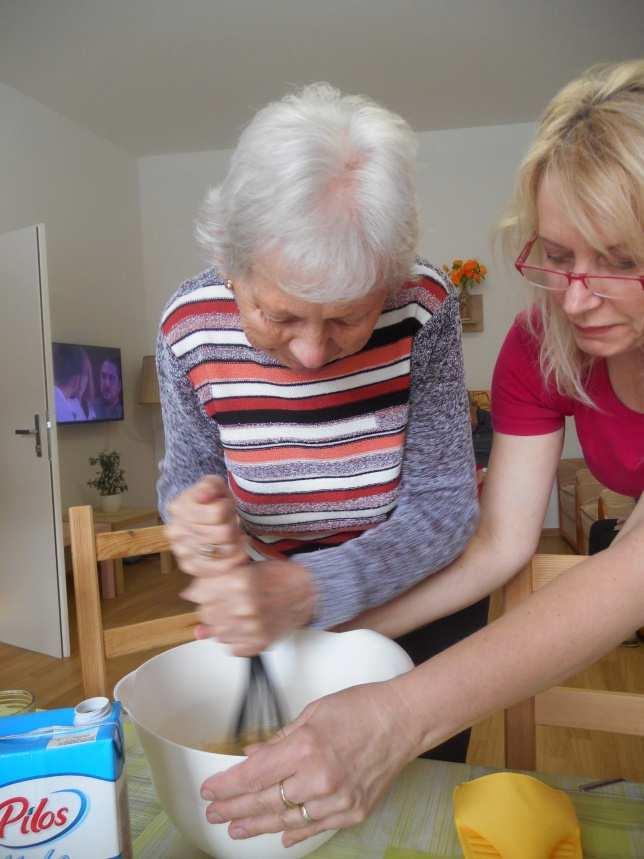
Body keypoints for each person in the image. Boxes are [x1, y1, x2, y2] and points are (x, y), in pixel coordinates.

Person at [198, 60, 644, 846]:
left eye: (622, 261)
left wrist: (396, 718)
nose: (575, 297)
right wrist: (345, 633)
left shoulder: (430, 315)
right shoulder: (545, 342)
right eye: (559, 255)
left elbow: (631, 569)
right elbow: (499, 545)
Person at [158, 84, 483, 762]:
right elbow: (188, 469)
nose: (310, 355)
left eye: (346, 318)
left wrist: (313, 588)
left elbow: (446, 505)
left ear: (388, 281)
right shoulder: (186, 329)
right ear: (228, 261)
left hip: (413, 600)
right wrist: (189, 509)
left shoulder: (423, 308)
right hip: (267, 609)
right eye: (278, 315)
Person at [53, 343, 89, 422]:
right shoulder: (60, 410)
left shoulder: (55, 397)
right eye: (85, 374)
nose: (87, 380)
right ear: (77, 379)